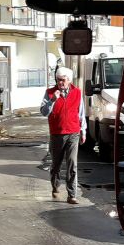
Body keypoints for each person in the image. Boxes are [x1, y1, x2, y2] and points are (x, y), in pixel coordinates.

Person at [41, 65, 85, 204]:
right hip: (57, 134)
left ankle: (72, 195)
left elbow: (81, 113)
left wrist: (83, 130)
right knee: (56, 165)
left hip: (73, 133)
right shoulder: (50, 93)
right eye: (58, 80)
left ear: (69, 80)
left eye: (63, 80)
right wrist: (52, 100)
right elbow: (43, 112)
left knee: (72, 164)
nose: (60, 82)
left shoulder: (77, 92)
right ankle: (55, 186)